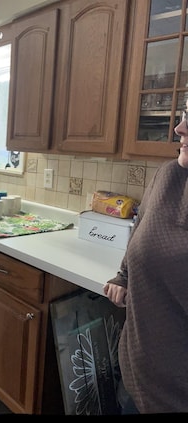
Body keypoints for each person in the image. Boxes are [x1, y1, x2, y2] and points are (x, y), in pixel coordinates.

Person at [104, 107, 188, 414]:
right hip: (136, 375)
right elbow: (140, 234)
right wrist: (123, 276)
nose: (179, 128)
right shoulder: (169, 177)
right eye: (185, 114)